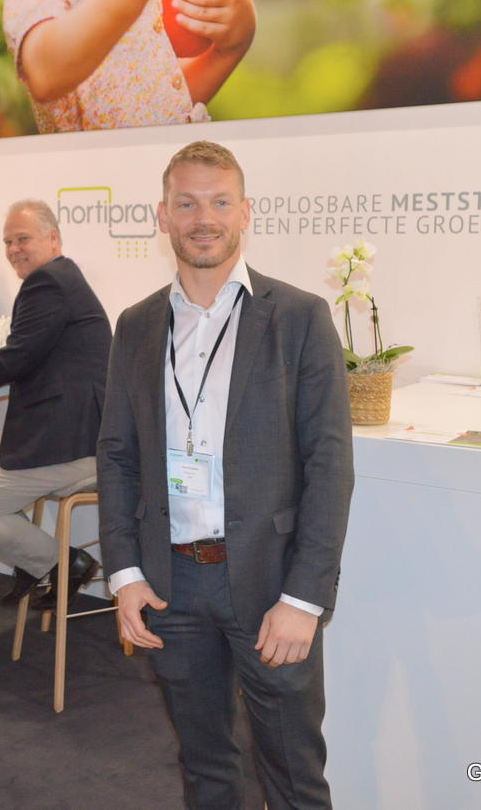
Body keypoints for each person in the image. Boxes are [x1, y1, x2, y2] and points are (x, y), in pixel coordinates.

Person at [97, 141, 354, 808]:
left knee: (294, 775)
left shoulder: (299, 317)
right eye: (186, 203)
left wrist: (305, 598)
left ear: (245, 212)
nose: (203, 218)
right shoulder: (136, 325)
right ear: (163, 215)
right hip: (170, 586)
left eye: (218, 202)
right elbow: (117, 455)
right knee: (206, 767)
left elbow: (330, 465)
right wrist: (125, 573)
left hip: (270, 586)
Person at [0, 199, 111, 609]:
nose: (14, 249)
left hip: (70, 444)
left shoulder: (47, 281)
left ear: (53, 239)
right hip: (67, 433)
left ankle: (61, 563)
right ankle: (31, 563)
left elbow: (18, 359)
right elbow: (30, 349)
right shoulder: (62, 277)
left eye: (23, 239)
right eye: (7, 242)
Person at [3, 0, 256, 133]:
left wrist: (229, 50)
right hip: (99, 181)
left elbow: (156, 96)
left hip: (172, 169)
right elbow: (44, 71)